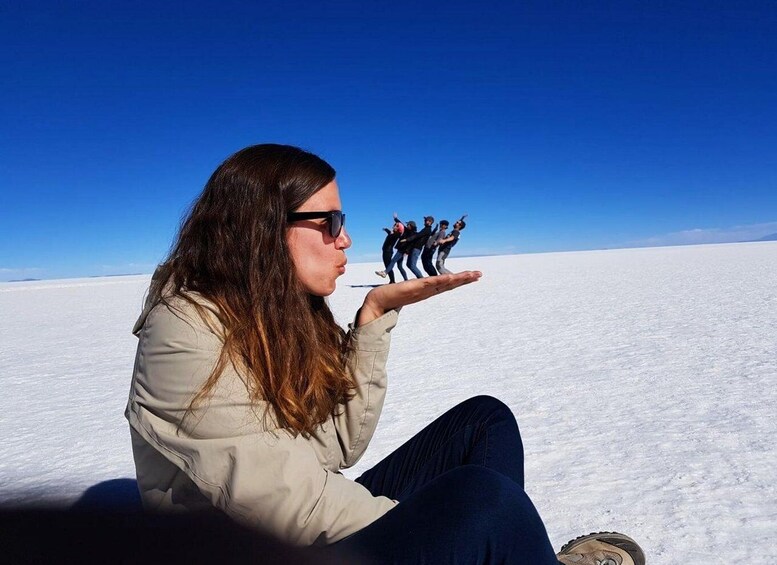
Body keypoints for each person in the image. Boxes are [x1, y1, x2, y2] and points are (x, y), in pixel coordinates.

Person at [126, 144, 645, 565]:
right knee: (482, 501)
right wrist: (429, 524)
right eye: (328, 222)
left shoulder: (277, 316)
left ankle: (508, 553)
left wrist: (371, 319)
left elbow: (336, 449)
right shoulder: (184, 330)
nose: (346, 238)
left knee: (484, 421)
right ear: (261, 227)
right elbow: (284, 504)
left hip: (302, 527)